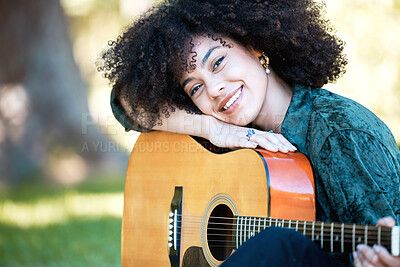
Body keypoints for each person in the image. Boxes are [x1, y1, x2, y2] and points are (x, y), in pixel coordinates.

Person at [97, 0, 400, 266]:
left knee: (276, 244)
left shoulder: (340, 134)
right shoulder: (226, 134)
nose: (214, 89)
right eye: (196, 88)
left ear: (255, 45)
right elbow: (126, 103)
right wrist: (211, 128)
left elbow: (388, 244)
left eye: (218, 62)